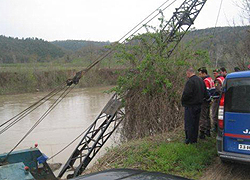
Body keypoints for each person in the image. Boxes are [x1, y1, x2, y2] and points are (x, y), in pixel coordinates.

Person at [181, 68, 208, 144]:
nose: (187, 76)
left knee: (189, 123)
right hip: (199, 105)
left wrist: (183, 101)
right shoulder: (201, 81)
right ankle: (194, 140)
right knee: (196, 123)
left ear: (189, 73)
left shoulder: (190, 82)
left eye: (187, 74)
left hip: (190, 106)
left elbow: (187, 94)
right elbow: (205, 93)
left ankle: (188, 140)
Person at [198, 67, 215, 139]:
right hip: (209, 100)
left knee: (203, 116)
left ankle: (202, 132)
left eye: (200, 74)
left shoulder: (205, 81)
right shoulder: (211, 79)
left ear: (204, 73)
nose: (199, 76)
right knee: (207, 116)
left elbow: (205, 92)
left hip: (205, 101)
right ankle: (208, 130)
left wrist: (203, 98)